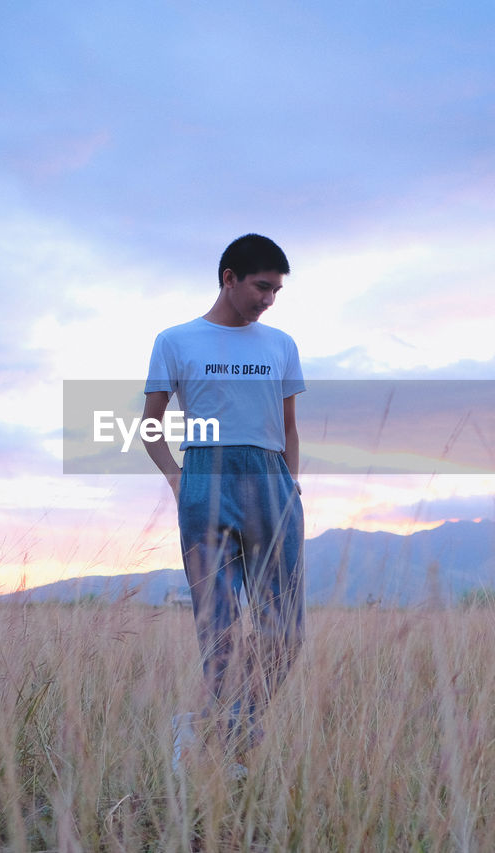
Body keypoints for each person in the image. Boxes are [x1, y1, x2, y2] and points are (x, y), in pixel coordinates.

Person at [141, 234, 306, 776]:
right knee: (221, 630)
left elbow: (288, 428)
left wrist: (291, 484)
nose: (269, 300)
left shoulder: (280, 344)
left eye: (277, 290)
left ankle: (226, 727)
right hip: (204, 478)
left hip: (271, 481)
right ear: (229, 278)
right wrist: (175, 479)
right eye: (262, 286)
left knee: (286, 632)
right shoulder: (175, 340)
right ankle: (227, 751)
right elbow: (151, 424)